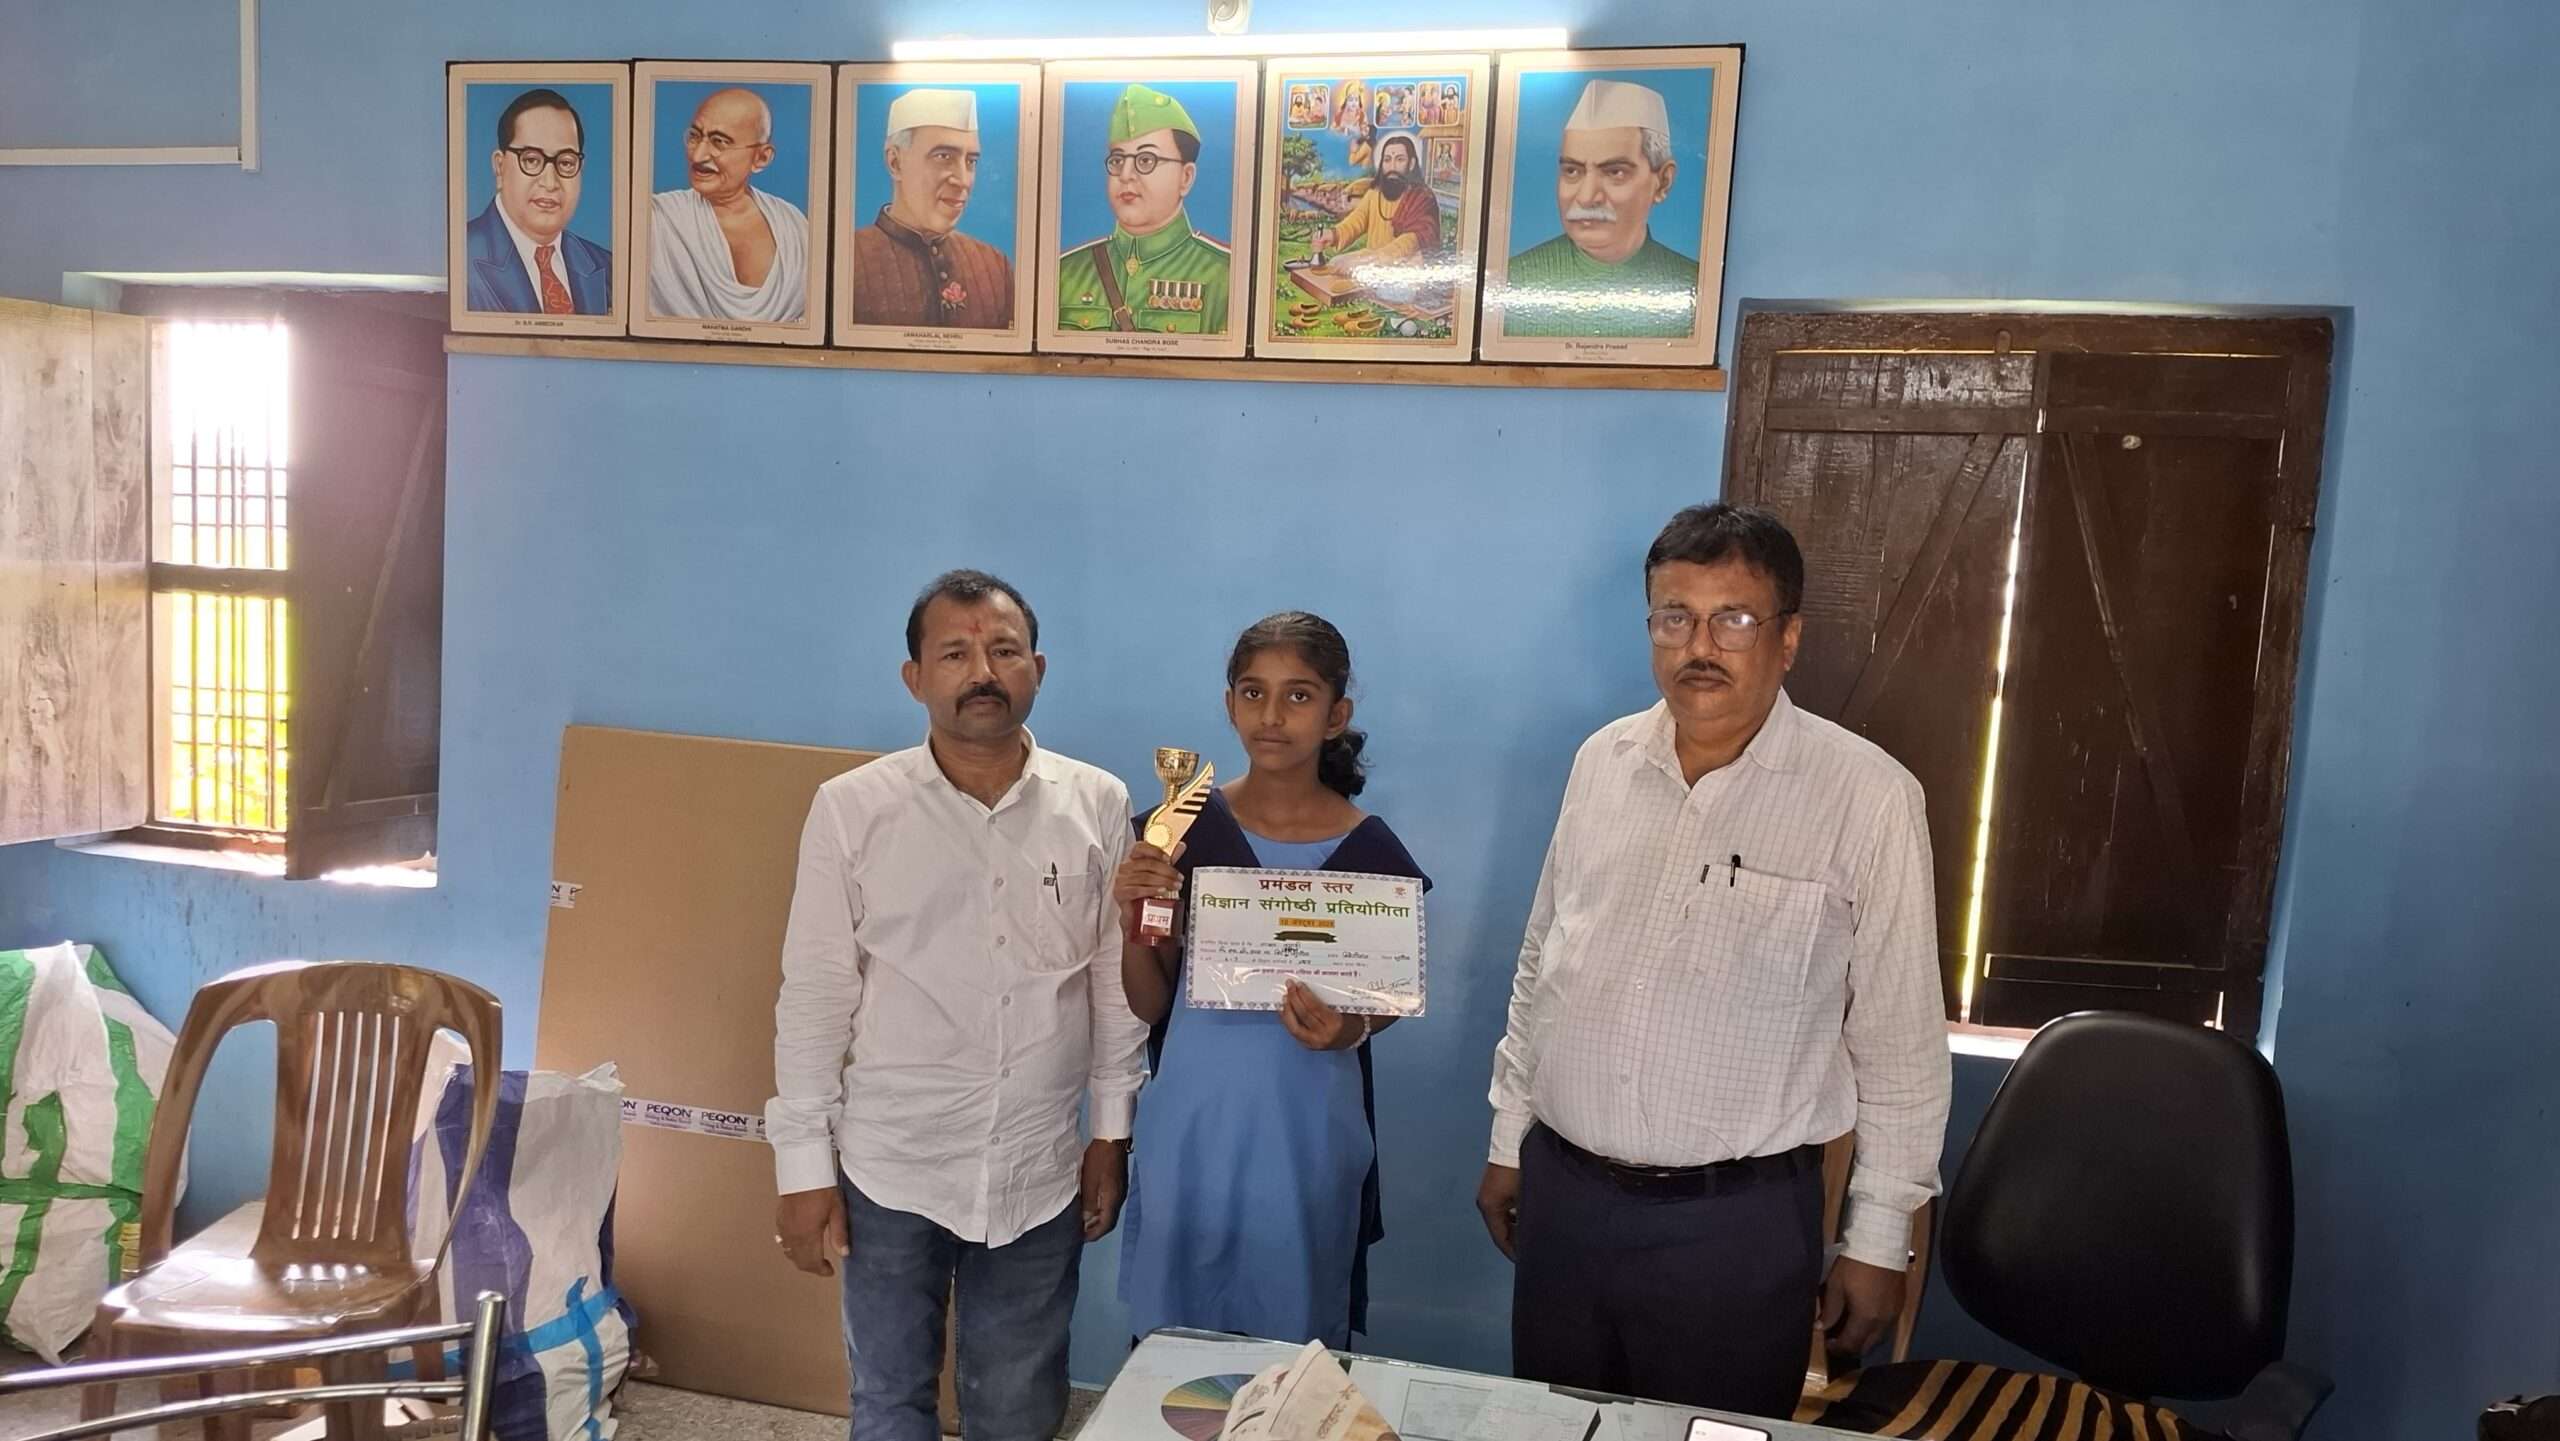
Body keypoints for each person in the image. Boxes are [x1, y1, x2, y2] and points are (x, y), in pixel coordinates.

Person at [1477, 503, 1950, 1420]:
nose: (1700, 646)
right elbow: (1544, 964)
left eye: (1732, 618)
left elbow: (1900, 1044)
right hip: (1565, 1200)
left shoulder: (1869, 798)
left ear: (1788, 638)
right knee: (1557, 1426)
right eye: (1674, 616)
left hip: (1734, 1229)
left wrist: (1878, 1236)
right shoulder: (1602, 761)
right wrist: (1509, 1139)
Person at [768, 570, 1145, 1441]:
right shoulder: (852, 809)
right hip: (892, 1164)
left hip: (1038, 1167)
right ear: (915, 677)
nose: (983, 672)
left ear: (1037, 669)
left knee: (1018, 1406)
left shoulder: (1098, 802)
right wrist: (802, 1168)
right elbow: (817, 992)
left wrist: (1111, 1132)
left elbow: (1111, 979)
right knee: (889, 1399)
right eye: (955, 654)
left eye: (1004, 650)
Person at [1112, 613, 1428, 1348]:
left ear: (1336, 715)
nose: (1272, 715)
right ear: (1230, 705)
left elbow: (1385, 998)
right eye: (1253, 693)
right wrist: (1132, 918)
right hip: (1192, 1125)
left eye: (1298, 695)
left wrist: (1349, 1028)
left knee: (1293, 1354)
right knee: (1172, 1356)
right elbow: (1149, 1003)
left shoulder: (1370, 852)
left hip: (1305, 1132)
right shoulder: (1176, 832)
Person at [1502, 79, 1702, 339]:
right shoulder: (1513, 281)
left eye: (1615, 172)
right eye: (1572, 171)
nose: (1587, 198)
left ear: (1663, 182)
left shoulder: (1695, 289)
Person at [1055, 84, 1232, 335]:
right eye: (1117, 160)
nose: (1125, 174)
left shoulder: (1224, 275)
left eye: (1146, 160)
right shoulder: (1066, 272)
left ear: (1186, 178)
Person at [850, 88, 1016, 329]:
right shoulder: (849, 259)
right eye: (944, 157)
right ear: (895, 163)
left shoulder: (995, 267)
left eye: (971, 161)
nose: (963, 180)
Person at [648, 86, 809, 323]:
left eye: (719, 142)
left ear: (761, 157)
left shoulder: (793, 226)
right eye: (694, 137)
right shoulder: (658, 217)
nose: (698, 155)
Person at [465, 88, 611, 314]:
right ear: (500, 167)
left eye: (566, 163)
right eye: (532, 160)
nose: (550, 183)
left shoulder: (607, 267)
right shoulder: (460, 256)